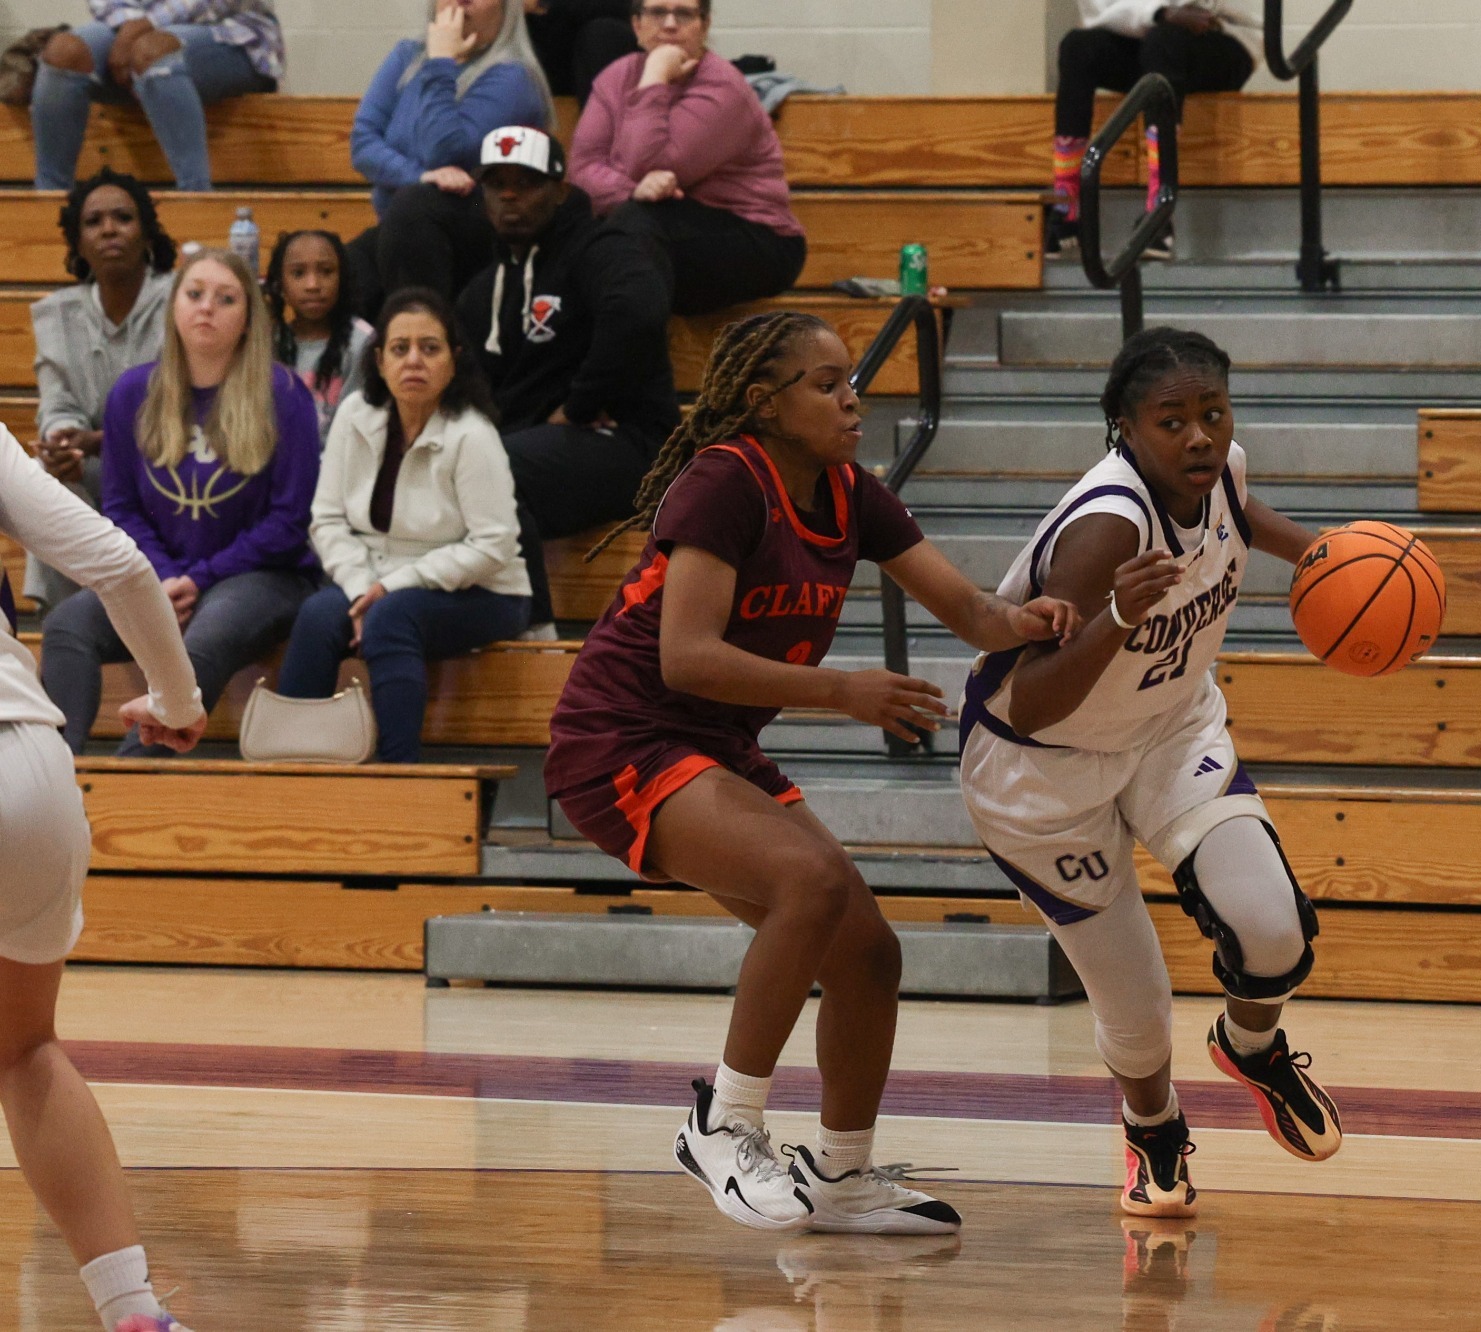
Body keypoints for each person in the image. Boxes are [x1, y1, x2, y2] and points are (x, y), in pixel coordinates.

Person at [543, 309, 1081, 1232]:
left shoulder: (849, 491)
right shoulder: (722, 484)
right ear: (765, 401)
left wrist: (1036, 621)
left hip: (714, 743)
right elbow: (686, 658)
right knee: (809, 878)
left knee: (869, 954)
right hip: (623, 736)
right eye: (828, 383)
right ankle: (722, 1123)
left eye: (851, 379)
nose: (852, 396)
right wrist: (842, 692)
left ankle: (841, 1175)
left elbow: (972, 612)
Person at [956, 327, 1344, 1218]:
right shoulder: (1106, 531)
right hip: (1042, 772)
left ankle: (1252, 1048)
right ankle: (1154, 1125)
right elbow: (1035, 700)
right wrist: (1120, 620)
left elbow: (1251, 524)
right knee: (1136, 1001)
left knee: (1273, 931)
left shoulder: (1223, 470)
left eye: (1213, 412)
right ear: (1126, 429)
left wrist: (1343, 557)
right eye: (1173, 421)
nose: (1201, 436)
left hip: (1168, 725)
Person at [1, 425, 205, 1332]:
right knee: (25, 1049)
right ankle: (133, 1312)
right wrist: (178, 701)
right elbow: (121, 567)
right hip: (26, 767)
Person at [38, 248, 319, 757]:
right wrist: (163, 576)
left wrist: (199, 578)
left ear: (248, 318)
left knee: (199, 642)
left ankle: (125, 779)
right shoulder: (131, 394)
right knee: (66, 624)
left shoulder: (284, 394)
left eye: (225, 298)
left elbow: (291, 519)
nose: (206, 308)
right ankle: (58, 771)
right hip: (160, 575)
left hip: (262, 578)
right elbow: (120, 508)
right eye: (194, 294)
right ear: (173, 307)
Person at [276, 288, 530, 763]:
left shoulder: (473, 434)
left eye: (429, 348)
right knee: (316, 615)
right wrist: (359, 590)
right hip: (371, 581)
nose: (414, 360)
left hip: (484, 591)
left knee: (393, 617)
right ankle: (291, 774)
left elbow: (496, 544)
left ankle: (400, 776)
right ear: (379, 359)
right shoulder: (355, 415)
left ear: (453, 359)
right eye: (400, 348)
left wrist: (390, 588)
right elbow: (326, 520)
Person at [456, 125, 675, 633]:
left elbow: (639, 312)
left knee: (494, 468)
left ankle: (536, 635)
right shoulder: (483, 288)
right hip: (546, 451)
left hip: (631, 444)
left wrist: (578, 405)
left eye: (526, 182)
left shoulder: (602, 248)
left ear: (559, 190)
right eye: (496, 184)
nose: (509, 196)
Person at [569, 0, 807, 323]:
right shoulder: (615, 77)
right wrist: (632, 192)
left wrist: (654, 77)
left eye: (683, 13)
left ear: (704, 26)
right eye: (657, 13)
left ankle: (637, 367)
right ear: (637, 25)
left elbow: (648, 162)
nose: (669, 24)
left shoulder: (723, 85)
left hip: (756, 238)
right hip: (667, 227)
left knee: (633, 230)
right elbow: (581, 171)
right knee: (578, 232)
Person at [26, 168, 178, 610]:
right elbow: (57, 404)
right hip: (98, 469)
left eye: (123, 218)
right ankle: (68, 621)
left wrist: (96, 441)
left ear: (147, 232)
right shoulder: (57, 314)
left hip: (170, 471)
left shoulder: (182, 300)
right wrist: (64, 444)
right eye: (94, 222)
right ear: (77, 242)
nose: (109, 229)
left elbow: (185, 414)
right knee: (45, 474)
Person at [347, 0, 552, 317]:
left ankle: (429, 341)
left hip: (484, 229)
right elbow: (362, 142)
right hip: (404, 226)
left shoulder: (514, 78)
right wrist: (417, 176)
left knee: (413, 210)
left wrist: (441, 62)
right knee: (345, 266)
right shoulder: (408, 55)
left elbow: (444, 150)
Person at [1047, 2, 1261, 259]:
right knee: (1077, 46)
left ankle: (1158, 209)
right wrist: (1159, 13)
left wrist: (1167, 15)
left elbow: (1202, 12)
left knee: (1164, 40)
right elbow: (1097, 13)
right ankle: (1066, 207)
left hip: (1221, 38)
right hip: (1141, 35)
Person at [31, 0, 282, 193]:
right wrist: (130, 26)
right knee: (63, 52)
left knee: (152, 51)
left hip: (231, 30)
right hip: (130, 27)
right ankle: (50, 201)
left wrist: (144, 26)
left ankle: (197, 199)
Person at [264, 229, 372, 443]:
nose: (313, 285)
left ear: (342, 278)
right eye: (298, 273)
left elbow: (356, 431)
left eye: (326, 271)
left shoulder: (362, 343)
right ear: (280, 283)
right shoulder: (268, 343)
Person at [524, 0, 637, 102]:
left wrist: (544, 3)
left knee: (603, 35)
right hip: (527, 52)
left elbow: (627, 8)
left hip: (588, 58)